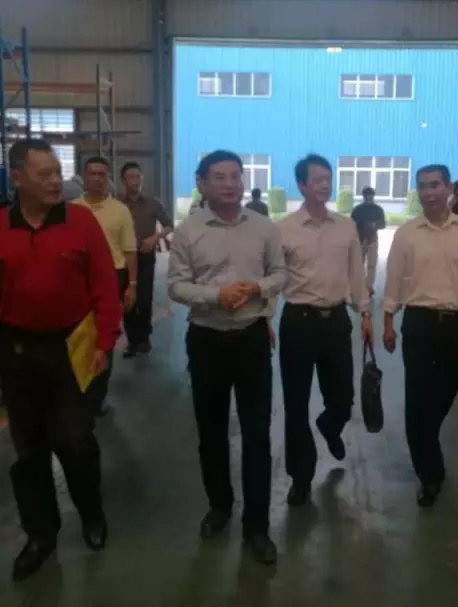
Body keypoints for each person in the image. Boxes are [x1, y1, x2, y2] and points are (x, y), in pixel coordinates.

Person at [0, 139, 121, 581]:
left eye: (57, 171)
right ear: (17, 178)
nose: (56, 181)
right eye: (45, 174)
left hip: (73, 348)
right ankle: (40, 535)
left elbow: (104, 285)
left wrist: (105, 341)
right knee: (28, 449)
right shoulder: (1, 226)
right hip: (16, 352)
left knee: (75, 440)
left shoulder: (81, 221)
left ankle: (91, 514)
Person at [167, 150, 286, 565]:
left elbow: (280, 273)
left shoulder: (264, 227)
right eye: (220, 177)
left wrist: (256, 288)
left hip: (251, 339)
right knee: (211, 430)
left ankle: (257, 526)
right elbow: (176, 285)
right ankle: (219, 506)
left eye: (236, 176)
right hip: (207, 341)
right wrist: (215, 295)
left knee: (257, 434)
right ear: (202, 183)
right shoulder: (188, 231)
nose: (230, 184)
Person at [383, 164, 458, 508]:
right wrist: (388, 320)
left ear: (448, 188)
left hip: (454, 324)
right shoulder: (407, 234)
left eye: (434, 185)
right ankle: (429, 475)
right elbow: (393, 279)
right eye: (422, 186)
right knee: (418, 399)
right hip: (418, 324)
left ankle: (426, 438)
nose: (428, 192)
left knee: (446, 391)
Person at [278, 154, 373, 507]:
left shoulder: (346, 226)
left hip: (336, 321)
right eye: (317, 179)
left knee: (343, 399)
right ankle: (300, 477)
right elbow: (274, 277)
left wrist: (365, 313)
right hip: (297, 323)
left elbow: (356, 274)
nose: (324, 184)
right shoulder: (284, 229)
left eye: (328, 178)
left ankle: (330, 425)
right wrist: (264, 319)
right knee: (295, 404)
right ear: (302, 185)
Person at [75, 157, 138, 415]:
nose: (97, 178)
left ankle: (98, 395)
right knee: (79, 334)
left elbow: (130, 250)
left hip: (113, 276)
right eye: (92, 173)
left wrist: (132, 284)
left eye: (102, 174)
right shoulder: (71, 209)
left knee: (105, 335)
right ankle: (78, 390)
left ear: (108, 178)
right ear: (84, 176)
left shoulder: (120, 210)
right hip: (78, 278)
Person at [120, 161, 174, 357]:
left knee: (144, 299)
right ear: (124, 181)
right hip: (123, 259)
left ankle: (144, 339)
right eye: (131, 177)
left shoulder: (153, 204)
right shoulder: (117, 205)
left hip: (145, 257)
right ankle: (132, 341)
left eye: (138, 177)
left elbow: (169, 225)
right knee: (127, 300)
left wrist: (154, 238)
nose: (135, 181)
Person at [351, 186, 386, 294]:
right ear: (363, 196)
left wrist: (375, 225)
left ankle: (369, 287)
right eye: (367, 195)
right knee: (358, 264)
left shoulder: (378, 209)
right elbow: (351, 224)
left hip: (373, 240)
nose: (368, 197)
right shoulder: (357, 209)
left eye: (370, 195)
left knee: (372, 264)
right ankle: (360, 286)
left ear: (373, 196)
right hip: (360, 240)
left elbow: (383, 224)